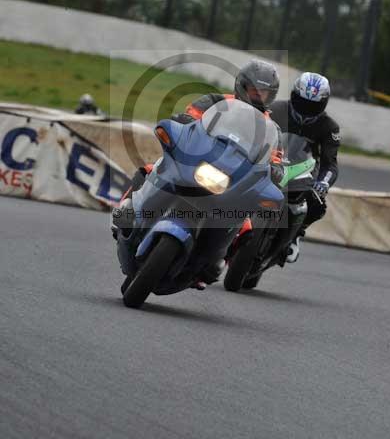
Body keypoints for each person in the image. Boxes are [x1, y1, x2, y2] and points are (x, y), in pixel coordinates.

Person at [113, 59, 284, 288]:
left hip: (232, 181)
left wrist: (275, 171)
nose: (258, 97)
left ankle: (213, 263)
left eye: (264, 93)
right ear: (242, 85)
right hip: (196, 163)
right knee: (149, 170)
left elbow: (276, 159)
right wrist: (183, 121)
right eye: (255, 90)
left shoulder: (271, 129)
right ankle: (125, 213)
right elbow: (190, 117)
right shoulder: (216, 101)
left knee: (246, 228)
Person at [270, 72, 341, 263]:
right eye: (302, 102)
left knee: (317, 204)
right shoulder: (274, 109)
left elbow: (330, 164)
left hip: (303, 175)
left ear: (323, 104)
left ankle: (296, 234)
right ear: (293, 95)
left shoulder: (329, 128)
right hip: (271, 164)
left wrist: (322, 184)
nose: (306, 109)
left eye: (313, 106)